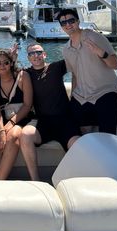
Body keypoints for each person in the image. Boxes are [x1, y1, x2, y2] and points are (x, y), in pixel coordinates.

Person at [20, 43, 80, 180]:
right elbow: (7, 71)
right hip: (43, 123)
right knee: (25, 135)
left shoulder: (56, 67)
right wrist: (12, 56)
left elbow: (77, 61)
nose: (35, 56)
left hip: (65, 121)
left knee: (78, 145)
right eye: (31, 54)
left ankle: (71, 180)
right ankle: (36, 181)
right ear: (28, 58)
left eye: (38, 52)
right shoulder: (26, 74)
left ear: (44, 54)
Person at [57, 8, 117, 134]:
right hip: (81, 97)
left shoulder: (94, 37)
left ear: (78, 21)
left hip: (105, 93)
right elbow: (75, 74)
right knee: (82, 135)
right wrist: (73, 97)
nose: (68, 24)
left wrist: (101, 53)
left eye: (71, 20)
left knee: (107, 136)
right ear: (61, 27)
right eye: (64, 23)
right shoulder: (66, 49)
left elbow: (116, 65)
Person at [0, 48, 33, 180]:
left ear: (11, 63)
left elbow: (27, 105)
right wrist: (1, 130)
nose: (2, 66)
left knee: (13, 135)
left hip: (19, 116)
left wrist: (10, 124)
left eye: (6, 62)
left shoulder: (23, 77)